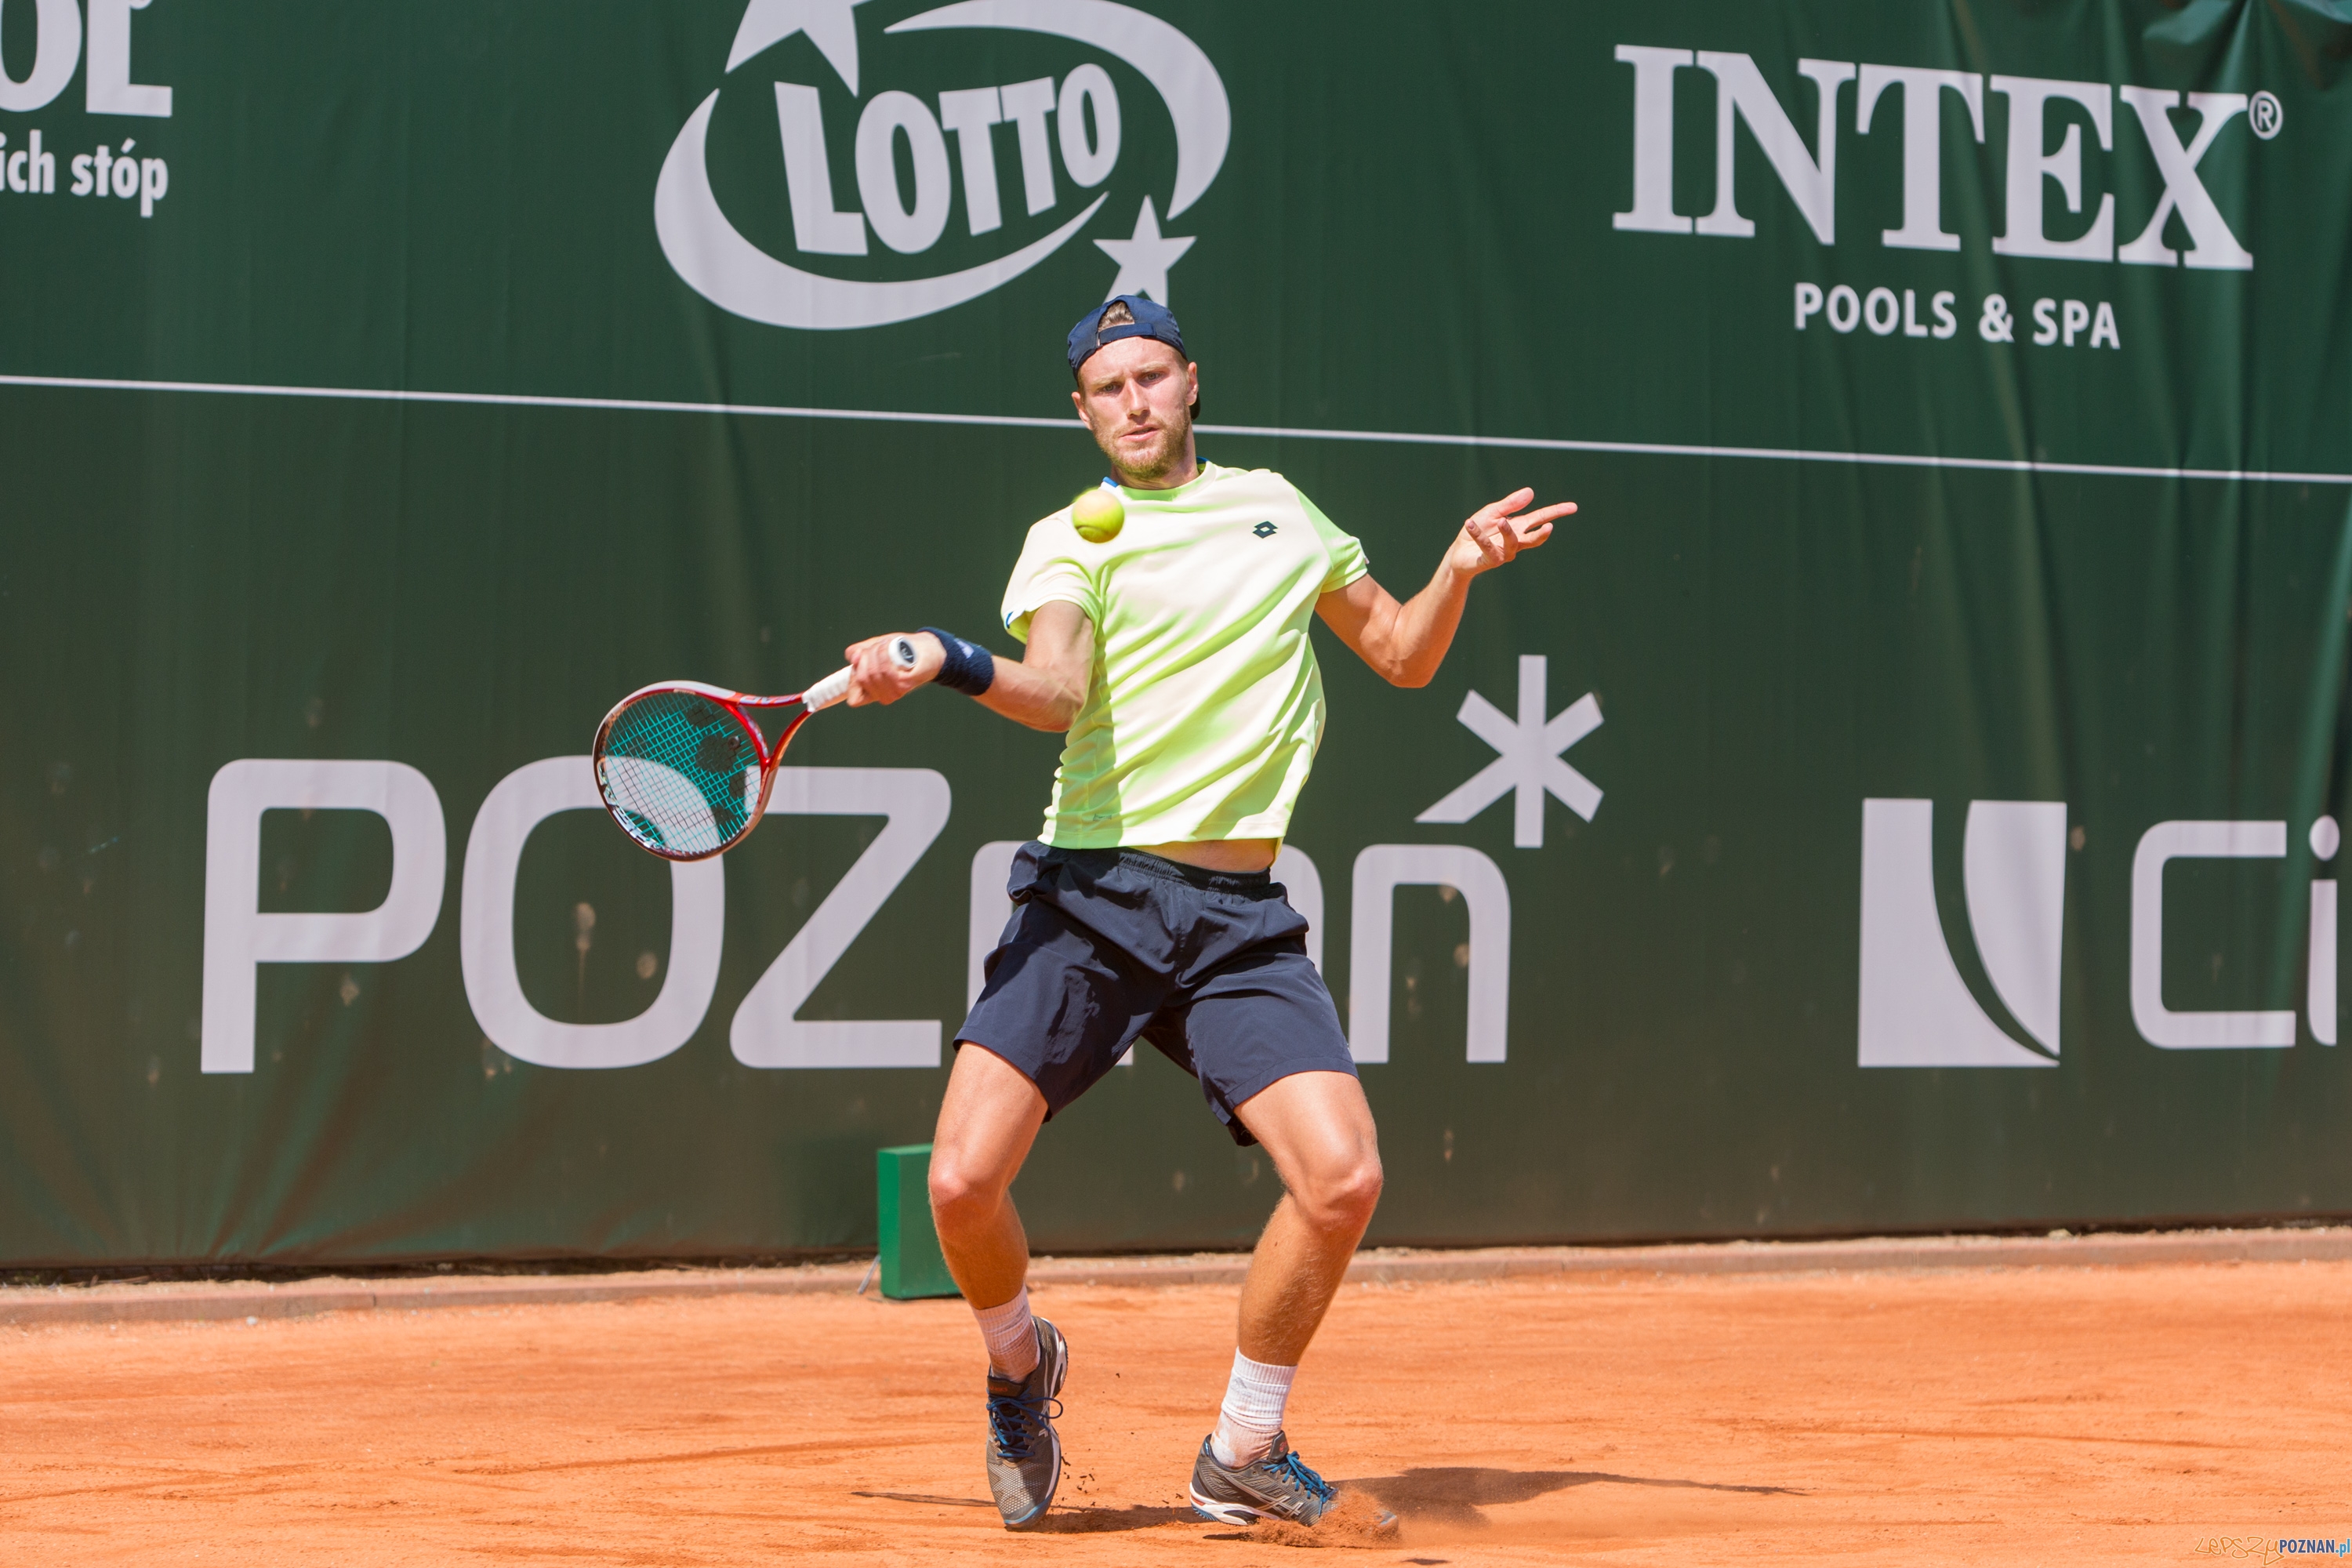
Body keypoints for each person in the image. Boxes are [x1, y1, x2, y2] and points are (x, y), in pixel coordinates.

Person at [841, 295, 1572, 1531]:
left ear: (1191, 386)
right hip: (1090, 901)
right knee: (962, 1186)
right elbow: (1058, 688)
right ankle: (1021, 1365)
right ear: (1081, 411)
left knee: (1343, 1179)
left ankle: (1243, 1446)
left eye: (1152, 377)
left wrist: (1455, 568)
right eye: (1106, 387)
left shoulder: (1281, 510)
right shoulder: (1070, 539)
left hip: (1235, 917)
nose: (1132, 401)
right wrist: (952, 658)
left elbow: (1398, 651)